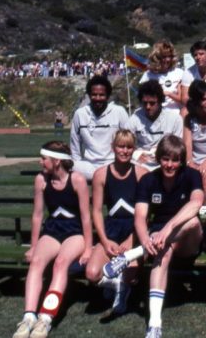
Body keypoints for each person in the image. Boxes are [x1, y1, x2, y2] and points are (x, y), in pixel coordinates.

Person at [12, 142, 92, 338]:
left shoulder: (77, 180)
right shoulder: (41, 180)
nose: (40, 162)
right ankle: (29, 317)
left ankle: (45, 319)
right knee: (37, 262)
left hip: (75, 233)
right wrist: (33, 247)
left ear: (57, 161)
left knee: (61, 263)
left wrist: (88, 247)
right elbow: (37, 215)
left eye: (44, 158)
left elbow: (86, 217)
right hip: (53, 230)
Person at [134, 135, 204, 338]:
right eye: (165, 159)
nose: (170, 165)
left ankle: (138, 252)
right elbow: (140, 217)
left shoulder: (191, 175)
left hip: (188, 239)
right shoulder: (148, 180)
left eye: (175, 160)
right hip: (160, 240)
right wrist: (145, 239)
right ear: (158, 158)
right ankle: (155, 323)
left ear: (181, 161)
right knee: (162, 254)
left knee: (192, 221)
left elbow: (196, 203)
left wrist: (166, 230)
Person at [85, 130, 147, 315]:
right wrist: (105, 241)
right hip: (111, 230)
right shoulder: (101, 174)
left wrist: (131, 240)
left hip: (134, 231)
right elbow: (96, 210)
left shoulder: (142, 173)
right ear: (113, 147)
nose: (125, 151)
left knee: (131, 272)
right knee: (92, 273)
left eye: (129, 147)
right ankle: (116, 284)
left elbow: (146, 213)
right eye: (121, 146)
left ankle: (123, 288)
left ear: (134, 149)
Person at [70, 75, 129, 180]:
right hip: (88, 166)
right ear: (89, 95)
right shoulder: (80, 114)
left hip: (114, 163)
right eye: (94, 95)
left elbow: (129, 139)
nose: (98, 98)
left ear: (108, 95)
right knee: (68, 166)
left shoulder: (119, 112)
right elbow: (75, 145)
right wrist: (77, 163)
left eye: (101, 95)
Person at [126, 80, 183, 169]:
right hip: (140, 162)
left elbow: (179, 147)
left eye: (152, 103)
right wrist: (135, 154)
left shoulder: (175, 119)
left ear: (160, 101)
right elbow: (124, 143)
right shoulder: (134, 119)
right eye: (144, 103)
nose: (148, 107)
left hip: (166, 162)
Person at [139, 40, 184, 111]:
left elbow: (183, 99)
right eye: (164, 57)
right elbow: (142, 98)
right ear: (157, 57)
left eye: (170, 56)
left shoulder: (179, 73)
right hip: (155, 114)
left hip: (175, 113)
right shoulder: (148, 75)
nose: (168, 59)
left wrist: (168, 94)